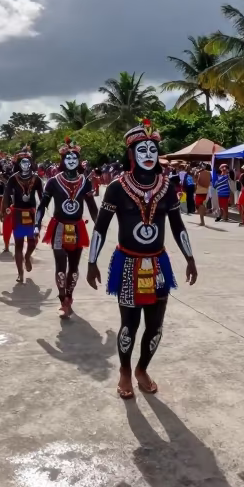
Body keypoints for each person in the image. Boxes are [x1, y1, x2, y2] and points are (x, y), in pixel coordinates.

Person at [87, 120, 198, 399]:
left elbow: (177, 225)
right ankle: (125, 371)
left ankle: (142, 369)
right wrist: (91, 262)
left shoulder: (167, 187)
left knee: (155, 326)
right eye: (142, 150)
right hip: (127, 264)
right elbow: (100, 227)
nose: (148, 155)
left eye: (152, 149)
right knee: (129, 325)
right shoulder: (117, 188)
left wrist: (190, 258)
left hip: (158, 264)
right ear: (131, 154)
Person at [38, 138, 99, 316]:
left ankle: (69, 297)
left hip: (77, 227)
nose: (71, 161)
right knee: (60, 266)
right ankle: (62, 299)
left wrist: (99, 226)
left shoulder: (85, 182)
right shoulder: (53, 182)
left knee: (73, 268)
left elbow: (92, 207)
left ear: (78, 161)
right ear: (62, 161)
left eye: (74, 158)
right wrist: (36, 224)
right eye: (68, 158)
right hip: (58, 227)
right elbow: (42, 205)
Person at [1, 151, 45, 284]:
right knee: (18, 244)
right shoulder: (13, 178)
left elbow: (43, 197)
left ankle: (27, 256)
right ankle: (20, 273)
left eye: (27, 162)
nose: (25, 164)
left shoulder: (36, 179)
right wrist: (4, 210)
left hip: (31, 213)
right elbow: (6, 194)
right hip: (18, 213)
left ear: (31, 164)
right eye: (22, 162)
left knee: (32, 241)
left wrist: (43, 210)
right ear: (19, 164)